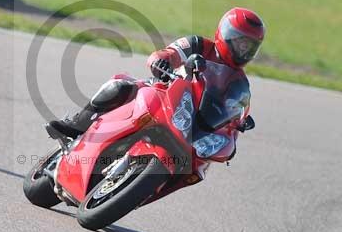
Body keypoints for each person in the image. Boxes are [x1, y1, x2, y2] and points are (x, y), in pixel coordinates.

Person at [48, 7, 266, 138]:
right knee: (121, 85)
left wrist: (240, 122)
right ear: (224, 34)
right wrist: (161, 62)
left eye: (249, 46)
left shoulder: (239, 81)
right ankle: (77, 124)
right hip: (164, 92)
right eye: (240, 43)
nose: (243, 50)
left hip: (191, 122)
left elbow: (237, 108)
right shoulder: (199, 44)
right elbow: (170, 52)